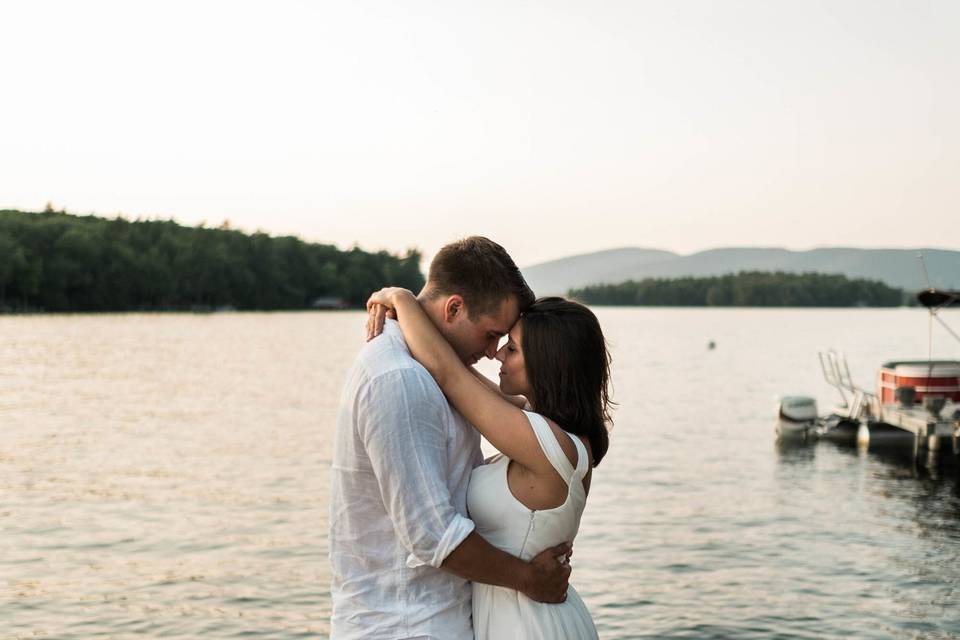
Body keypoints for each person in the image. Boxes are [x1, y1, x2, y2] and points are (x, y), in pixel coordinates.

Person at [329, 237, 574, 639]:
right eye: (492, 334)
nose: (495, 351)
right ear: (455, 308)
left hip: (435, 618)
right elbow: (431, 535)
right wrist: (529, 579)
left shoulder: (433, 371)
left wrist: (402, 299)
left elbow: (476, 394)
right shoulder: (400, 379)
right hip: (405, 624)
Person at [365, 288, 613, 639]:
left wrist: (401, 298)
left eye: (511, 348)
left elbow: (449, 375)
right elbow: (461, 378)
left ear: (546, 364)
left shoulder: (547, 443)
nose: (497, 355)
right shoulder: (548, 432)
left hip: (529, 626)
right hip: (522, 617)